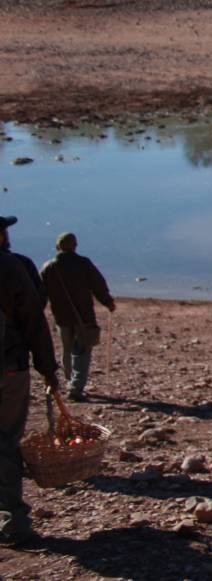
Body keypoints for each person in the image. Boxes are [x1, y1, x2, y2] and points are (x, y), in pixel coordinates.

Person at [0, 216, 61, 547]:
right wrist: (48, 368)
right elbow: (34, 318)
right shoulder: (12, 267)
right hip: (9, 368)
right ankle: (13, 521)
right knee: (6, 441)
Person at [40, 232, 116, 402]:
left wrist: (36, 310)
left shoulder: (48, 267)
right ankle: (76, 388)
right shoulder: (83, 264)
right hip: (83, 316)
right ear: (75, 246)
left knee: (67, 351)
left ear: (58, 247)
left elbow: (40, 293)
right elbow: (98, 285)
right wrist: (108, 302)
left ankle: (69, 382)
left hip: (61, 317)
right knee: (82, 353)